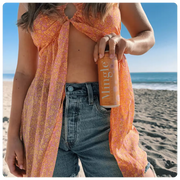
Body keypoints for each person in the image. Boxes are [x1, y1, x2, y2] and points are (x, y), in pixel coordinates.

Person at [5, 0, 157, 179]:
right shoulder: (30, 1)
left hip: (103, 115)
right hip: (43, 114)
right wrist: (12, 136)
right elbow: (24, 72)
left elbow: (147, 34)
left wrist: (128, 44)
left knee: (134, 172)